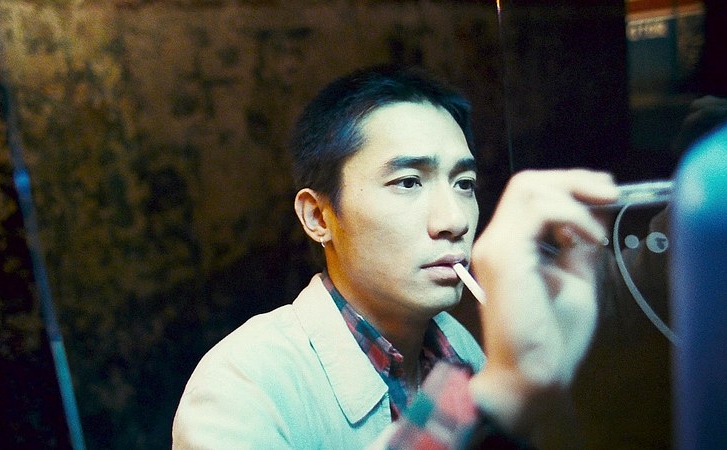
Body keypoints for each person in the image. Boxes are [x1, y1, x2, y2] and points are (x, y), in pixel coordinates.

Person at [171, 65, 620, 449]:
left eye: (464, 184)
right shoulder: (243, 386)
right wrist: (498, 395)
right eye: (408, 182)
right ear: (318, 216)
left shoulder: (460, 347)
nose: (454, 220)